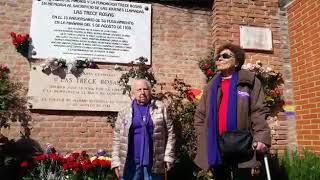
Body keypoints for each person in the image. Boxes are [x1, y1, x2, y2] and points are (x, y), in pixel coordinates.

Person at [194, 43, 271, 179]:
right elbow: (200, 114)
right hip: (216, 145)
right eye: (218, 57)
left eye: (225, 56)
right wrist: (203, 136)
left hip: (242, 144)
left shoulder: (249, 82)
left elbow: (258, 112)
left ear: (237, 62)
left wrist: (261, 138)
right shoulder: (211, 86)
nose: (220, 59)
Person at [111, 79, 175, 180]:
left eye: (145, 89)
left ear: (149, 91)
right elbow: (117, 137)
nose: (142, 92)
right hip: (130, 162)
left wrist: (168, 156)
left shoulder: (160, 108)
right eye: (139, 89)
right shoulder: (125, 112)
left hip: (155, 161)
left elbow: (171, 133)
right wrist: (116, 161)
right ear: (133, 92)